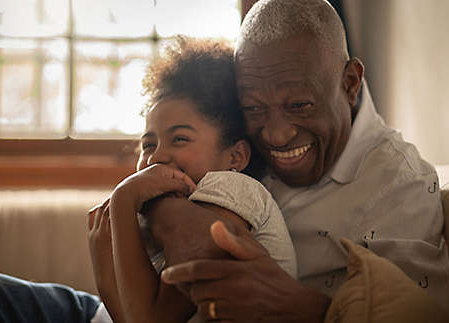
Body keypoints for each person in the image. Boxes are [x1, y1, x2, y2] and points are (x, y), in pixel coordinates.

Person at [148, 0, 449, 321]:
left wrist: (298, 305)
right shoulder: (239, 146)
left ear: (350, 83)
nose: (276, 135)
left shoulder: (399, 185)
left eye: (300, 105)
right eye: (255, 108)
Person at [87, 37, 296, 323]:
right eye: (149, 144)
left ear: (235, 157)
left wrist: (123, 200)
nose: (155, 157)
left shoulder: (233, 190)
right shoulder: (173, 208)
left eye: (180, 139)